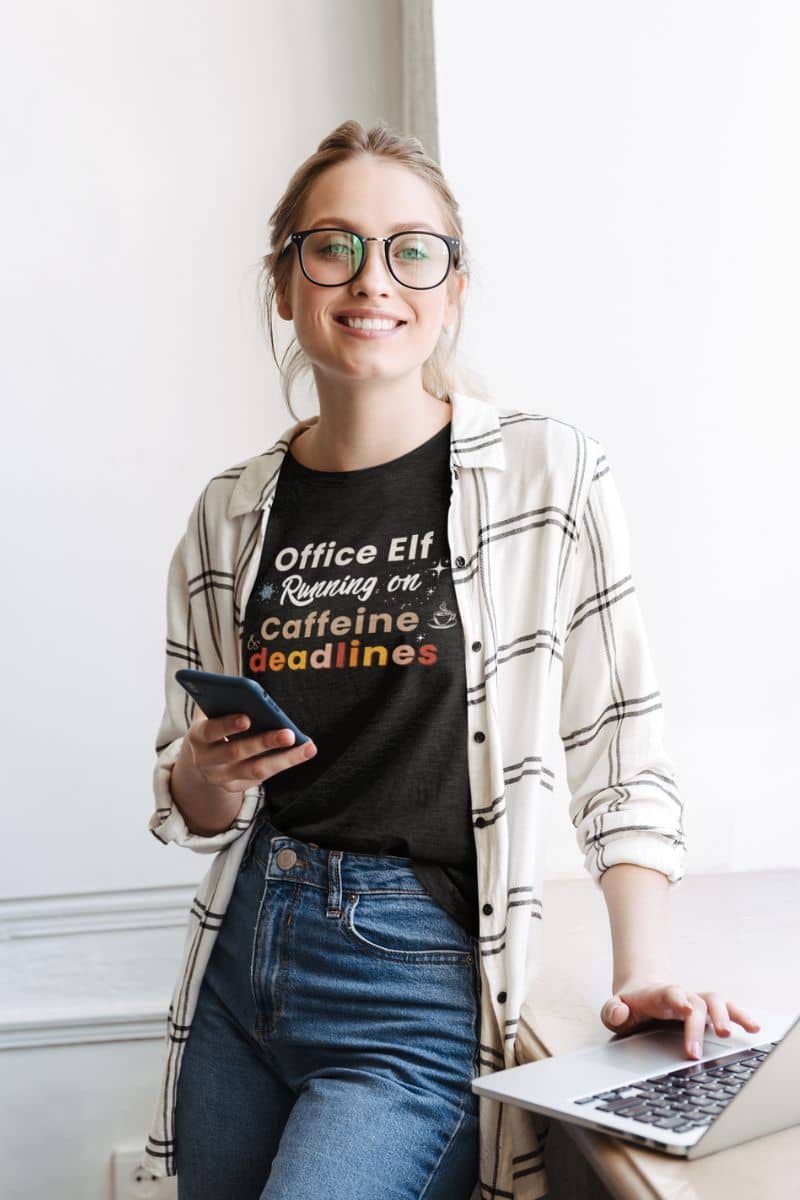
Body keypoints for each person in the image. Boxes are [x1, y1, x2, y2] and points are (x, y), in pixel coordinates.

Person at [140, 120, 760, 1200]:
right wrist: (202, 776)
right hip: (245, 959)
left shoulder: (541, 474)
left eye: (410, 249)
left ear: (453, 286)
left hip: (414, 975)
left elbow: (616, 744)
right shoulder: (229, 510)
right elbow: (192, 800)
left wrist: (640, 967)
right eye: (331, 247)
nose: (370, 279)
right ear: (285, 283)